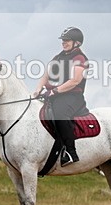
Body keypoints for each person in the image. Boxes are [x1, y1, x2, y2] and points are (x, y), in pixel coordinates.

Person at [31, 27, 90, 167]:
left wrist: (55, 91)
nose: (64, 43)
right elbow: (46, 75)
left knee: (59, 114)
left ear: (77, 43)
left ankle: (70, 152)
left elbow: (75, 81)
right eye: (63, 40)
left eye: (67, 40)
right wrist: (38, 89)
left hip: (72, 96)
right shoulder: (58, 57)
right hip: (55, 95)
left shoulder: (80, 58)